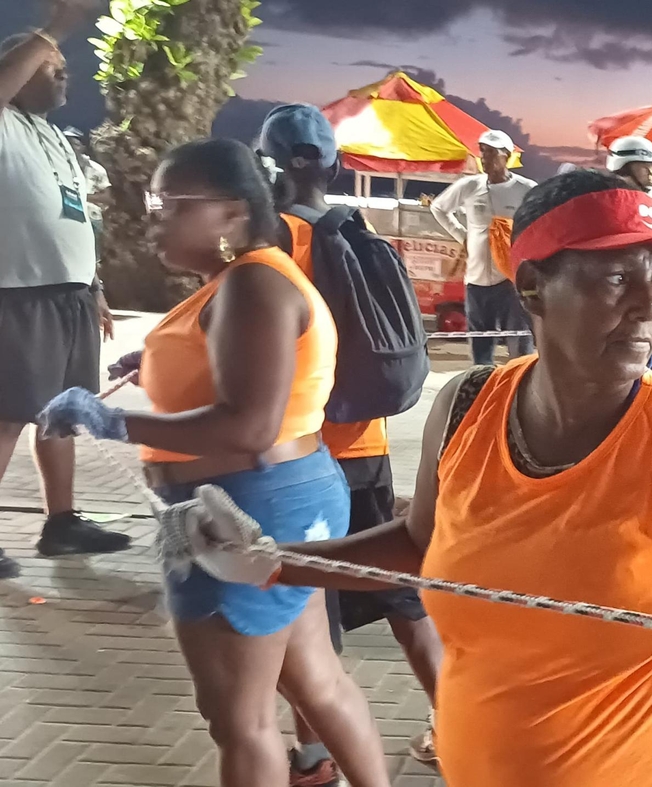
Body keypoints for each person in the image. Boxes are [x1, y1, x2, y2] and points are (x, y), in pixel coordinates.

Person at [162, 169, 652, 786]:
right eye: (618, 278)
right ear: (531, 287)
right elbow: (423, 546)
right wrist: (270, 562)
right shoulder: (467, 406)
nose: (651, 306)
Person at [37, 138, 392, 786]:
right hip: (276, 497)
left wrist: (110, 421)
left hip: (241, 508)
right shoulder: (246, 279)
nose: (152, 218)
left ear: (232, 211)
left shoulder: (253, 284)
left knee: (239, 718)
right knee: (314, 681)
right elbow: (235, 376)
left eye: (169, 204)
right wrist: (157, 363)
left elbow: (250, 427)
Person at [258, 104, 440, 782]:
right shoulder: (356, 231)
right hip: (368, 442)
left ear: (269, 167)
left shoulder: (272, 241)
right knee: (402, 597)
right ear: (332, 166)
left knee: (311, 610)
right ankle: (455, 724)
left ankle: (315, 756)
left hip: (303, 452)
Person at [0, 8, 127, 581]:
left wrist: (92, 286)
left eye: (62, 66)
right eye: (47, 65)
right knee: (6, 415)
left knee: (61, 415)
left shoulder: (52, 135)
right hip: (19, 293)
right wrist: (53, 29)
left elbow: (72, 217)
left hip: (69, 295)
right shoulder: (5, 124)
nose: (62, 73)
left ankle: (62, 522)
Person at [430, 129, 537, 364]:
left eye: (491, 153)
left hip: (510, 281)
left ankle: (521, 382)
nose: (484, 158)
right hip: (476, 281)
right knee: (480, 347)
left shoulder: (526, 189)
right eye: (482, 152)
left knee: (519, 345)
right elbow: (438, 208)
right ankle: (483, 382)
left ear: (506, 156)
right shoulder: (469, 186)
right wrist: (462, 236)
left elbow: (541, 222)